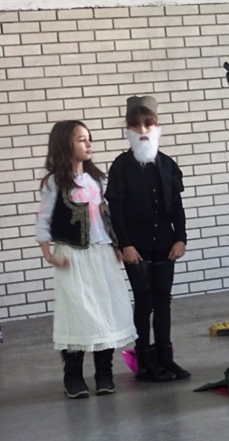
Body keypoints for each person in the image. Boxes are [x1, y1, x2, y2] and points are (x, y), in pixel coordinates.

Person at [35, 121, 137, 399]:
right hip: (72, 255)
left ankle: (104, 372)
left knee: (106, 310)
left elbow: (104, 215)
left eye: (89, 138)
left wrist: (116, 244)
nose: (89, 144)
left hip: (101, 253)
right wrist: (48, 253)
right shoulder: (54, 182)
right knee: (77, 313)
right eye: (82, 139)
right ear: (65, 144)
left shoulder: (96, 179)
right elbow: (44, 219)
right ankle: (73, 375)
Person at [105, 95, 190, 382]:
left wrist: (181, 238)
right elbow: (116, 211)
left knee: (163, 301)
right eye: (136, 125)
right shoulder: (120, 166)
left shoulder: (167, 164)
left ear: (156, 126)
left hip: (165, 243)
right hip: (136, 246)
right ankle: (145, 361)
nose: (142, 130)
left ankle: (166, 359)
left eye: (148, 124)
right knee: (143, 301)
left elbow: (177, 206)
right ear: (128, 129)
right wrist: (125, 244)